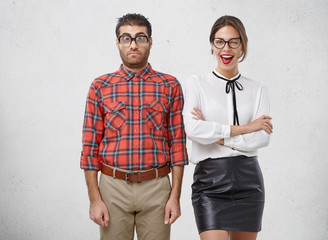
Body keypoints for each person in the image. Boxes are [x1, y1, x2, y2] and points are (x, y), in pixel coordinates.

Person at [80, 13, 188, 240]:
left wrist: (174, 197)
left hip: (157, 187)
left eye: (140, 37)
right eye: (126, 38)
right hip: (113, 188)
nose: (133, 44)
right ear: (118, 42)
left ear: (150, 41)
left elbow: (177, 145)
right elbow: (90, 149)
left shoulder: (170, 85)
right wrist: (95, 200)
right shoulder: (100, 86)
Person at [183, 15, 273, 240]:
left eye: (234, 42)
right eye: (219, 41)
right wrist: (245, 128)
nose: (226, 48)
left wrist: (217, 136)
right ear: (212, 44)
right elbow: (193, 129)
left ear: (243, 44)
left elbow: (262, 138)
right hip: (210, 181)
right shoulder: (197, 83)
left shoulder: (258, 89)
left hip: (249, 180)